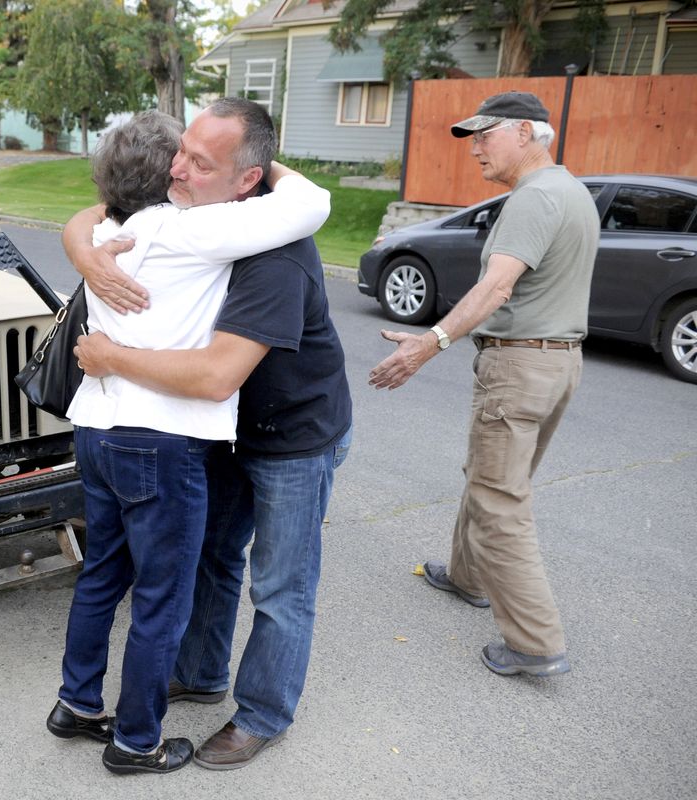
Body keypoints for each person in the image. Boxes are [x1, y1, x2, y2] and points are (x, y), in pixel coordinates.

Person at [67, 97, 352, 771]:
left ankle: (262, 713)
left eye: (201, 160)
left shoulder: (271, 249)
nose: (178, 167)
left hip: (292, 433)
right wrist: (85, 251)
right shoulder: (193, 222)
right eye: (181, 150)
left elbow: (218, 374)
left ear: (249, 180)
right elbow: (95, 212)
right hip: (221, 434)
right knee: (213, 558)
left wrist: (109, 358)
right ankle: (198, 672)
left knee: (280, 586)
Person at [368, 91, 599, 677]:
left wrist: (431, 341)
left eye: (485, 134)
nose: (476, 147)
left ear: (525, 132)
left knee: (500, 498)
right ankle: (468, 575)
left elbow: (498, 287)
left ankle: (536, 642)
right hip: (556, 363)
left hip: (519, 366)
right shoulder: (572, 190)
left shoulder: (534, 198)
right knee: (494, 477)